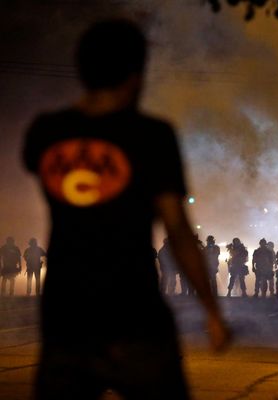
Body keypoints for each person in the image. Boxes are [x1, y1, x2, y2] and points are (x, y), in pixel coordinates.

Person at [22, 19, 230, 400]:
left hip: (66, 317)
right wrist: (212, 311)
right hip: (135, 314)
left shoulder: (45, 133)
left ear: (82, 70)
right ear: (136, 75)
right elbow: (178, 231)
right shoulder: (152, 136)